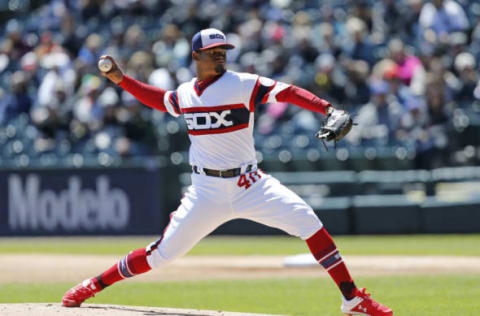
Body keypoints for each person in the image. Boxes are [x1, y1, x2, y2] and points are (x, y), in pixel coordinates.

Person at [62, 28, 393, 316]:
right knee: (161, 256)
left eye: (223, 52)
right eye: (213, 53)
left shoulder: (242, 84)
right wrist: (122, 80)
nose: (220, 57)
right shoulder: (187, 93)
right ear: (196, 56)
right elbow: (159, 99)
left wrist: (327, 108)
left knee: (310, 224)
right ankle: (93, 284)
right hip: (206, 190)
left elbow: (288, 92)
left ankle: (352, 299)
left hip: (250, 183)